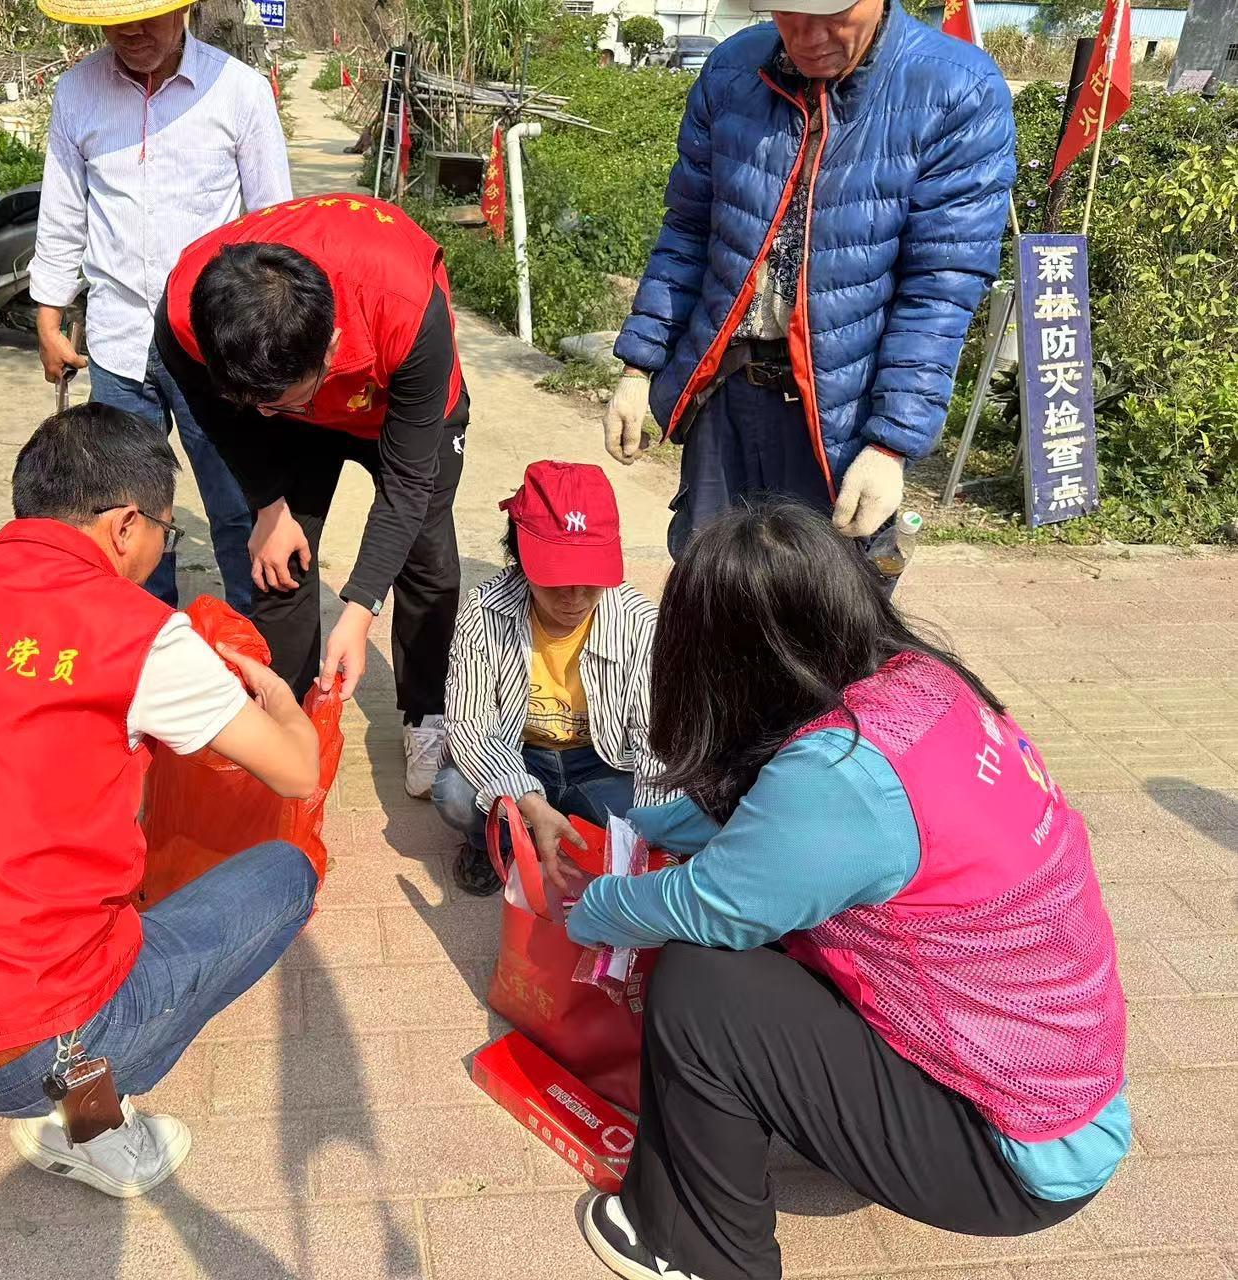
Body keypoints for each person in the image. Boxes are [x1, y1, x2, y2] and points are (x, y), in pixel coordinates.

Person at [564, 501, 1130, 1280]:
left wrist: (589, 907)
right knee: (766, 934)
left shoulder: (838, 774)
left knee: (703, 984)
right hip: (1066, 1092)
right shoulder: (920, 687)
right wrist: (637, 827)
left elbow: (712, 905)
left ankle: (699, 1251)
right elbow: (770, 818)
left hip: (1006, 1151)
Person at [0, 403, 321, 1199]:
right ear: (125, 526)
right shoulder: (138, 633)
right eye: (165, 533)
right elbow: (295, 773)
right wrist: (279, 699)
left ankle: (74, 1087)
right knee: (285, 875)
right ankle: (94, 1120)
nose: (160, 551)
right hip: (26, 1049)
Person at [602, 0, 1015, 570]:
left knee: (826, 603)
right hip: (724, 394)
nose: (807, 36)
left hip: (839, 416)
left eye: (831, 15)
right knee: (710, 587)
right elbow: (689, 230)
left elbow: (939, 287)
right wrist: (637, 368)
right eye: (788, 12)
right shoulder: (732, 70)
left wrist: (891, 444)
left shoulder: (957, 90)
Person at [154, 193, 468, 798]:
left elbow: (407, 484)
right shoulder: (190, 310)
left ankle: (425, 712)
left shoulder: (406, 308)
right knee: (279, 561)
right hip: (298, 408)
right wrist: (268, 504)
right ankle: (287, 719)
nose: (267, 413)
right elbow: (216, 417)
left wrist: (360, 608)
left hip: (396, 402)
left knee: (426, 557)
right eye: (257, 402)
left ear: (331, 347)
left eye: (283, 400)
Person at [28, 0, 291, 614]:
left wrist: (269, 345)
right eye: (115, 15)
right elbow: (62, 211)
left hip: (210, 350)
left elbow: (274, 226)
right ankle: (145, 641)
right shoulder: (77, 92)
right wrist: (48, 315)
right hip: (117, 344)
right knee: (123, 516)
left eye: (147, 12)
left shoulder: (239, 92)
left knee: (237, 505)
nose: (131, 29)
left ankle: (253, 645)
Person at [434, 460, 672, 896]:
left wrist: (649, 846)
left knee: (648, 813)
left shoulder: (640, 623)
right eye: (557, 579)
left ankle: (562, 831)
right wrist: (527, 799)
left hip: (601, 761)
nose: (575, 598)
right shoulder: (484, 612)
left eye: (590, 579)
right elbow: (468, 727)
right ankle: (493, 843)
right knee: (455, 794)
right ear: (521, 559)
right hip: (517, 752)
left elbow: (655, 741)